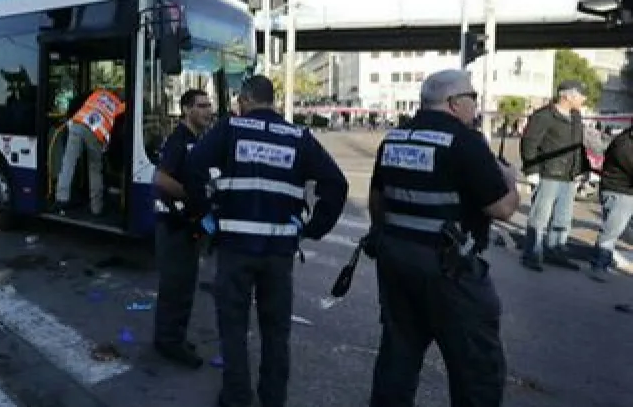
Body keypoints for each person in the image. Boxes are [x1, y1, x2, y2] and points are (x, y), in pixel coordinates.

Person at [183, 75, 349, 407]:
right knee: (276, 332)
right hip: (278, 253)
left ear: (245, 101)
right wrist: (314, 227)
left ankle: (237, 396)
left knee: (233, 327)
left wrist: (207, 215)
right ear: (272, 101)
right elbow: (336, 183)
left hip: (235, 248)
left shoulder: (230, 129)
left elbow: (192, 167)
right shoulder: (298, 136)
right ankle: (273, 398)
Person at [365, 69, 519, 407]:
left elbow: (376, 200)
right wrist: (511, 180)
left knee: (398, 357)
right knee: (476, 368)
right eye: (473, 98)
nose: (475, 106)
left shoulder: (394, 139)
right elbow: (502, 210)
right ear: (453, 103)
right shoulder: (465, 142)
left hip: (397, 262)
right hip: (451, 271)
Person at [152, 88, 214, 368]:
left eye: (209, 105)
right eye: (201, 106)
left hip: (189, 226)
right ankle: (168, 343)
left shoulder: (197, 140)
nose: (208, 110)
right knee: (175, 286)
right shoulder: (179, 141)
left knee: (185, 285)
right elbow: (161, 179)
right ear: (187, 109)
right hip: (174, 226)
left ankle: (174, 337)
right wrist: (190, 196)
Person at [519, 80, 590, 271]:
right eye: (580, 94)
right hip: (547, 174)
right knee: (539, 218)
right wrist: (531, 171)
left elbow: (577, 146)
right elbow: (529, 143)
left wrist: (581, 168)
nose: (584, 98)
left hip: (568, 176)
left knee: (563, 218)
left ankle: (555, 249)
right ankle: (532, 254)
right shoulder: (544, 116)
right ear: (566, 95)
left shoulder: (576, 117)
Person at [54, 87, 125, 216]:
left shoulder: (98, 94)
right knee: (95, 169)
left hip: (77, 124)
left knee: (68, 164)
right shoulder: (120, 105)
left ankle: (61, 200)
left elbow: (78, 102)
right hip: (96, 133)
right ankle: (96, 208)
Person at [590, 125, 633, 280]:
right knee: (611, 231)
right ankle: (599, 264)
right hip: (619, 191)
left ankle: (605, 261)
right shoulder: (625, 144)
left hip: (624, 191)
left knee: (618, 230)